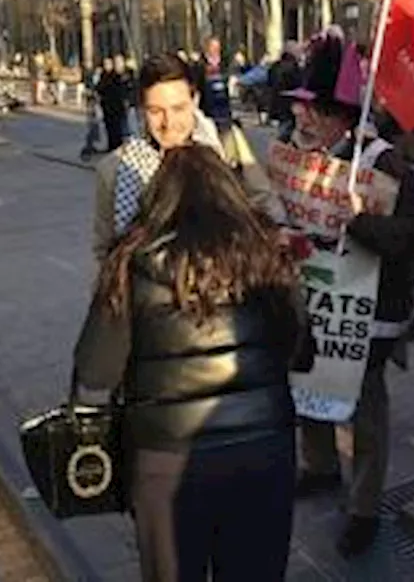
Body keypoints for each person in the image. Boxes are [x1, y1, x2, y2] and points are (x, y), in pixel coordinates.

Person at [71, 145, 306, 582]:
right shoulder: (269, 255)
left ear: (159, 198)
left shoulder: (131, 263)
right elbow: (299, 350)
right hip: (264, 450)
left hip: (167, 462)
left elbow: (95, 372)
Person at [288, 29, 414, 557]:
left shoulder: (385, 161)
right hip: (316, 298)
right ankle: (321, 465)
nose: (303, 119)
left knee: (364, 406)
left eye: (314, 111)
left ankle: (365, 505)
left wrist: (359, 222)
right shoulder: (299, 153)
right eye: (301, 108)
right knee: (307, 382)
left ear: (341, 115)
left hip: (370, 310)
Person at [92, 53, 283, 262]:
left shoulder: (225, 143)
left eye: (178, 108)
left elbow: (265, 203)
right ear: (141, 110)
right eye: (156, 111)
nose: (169, 122)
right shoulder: (117, 169)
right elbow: (105, 251)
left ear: (195, 100)